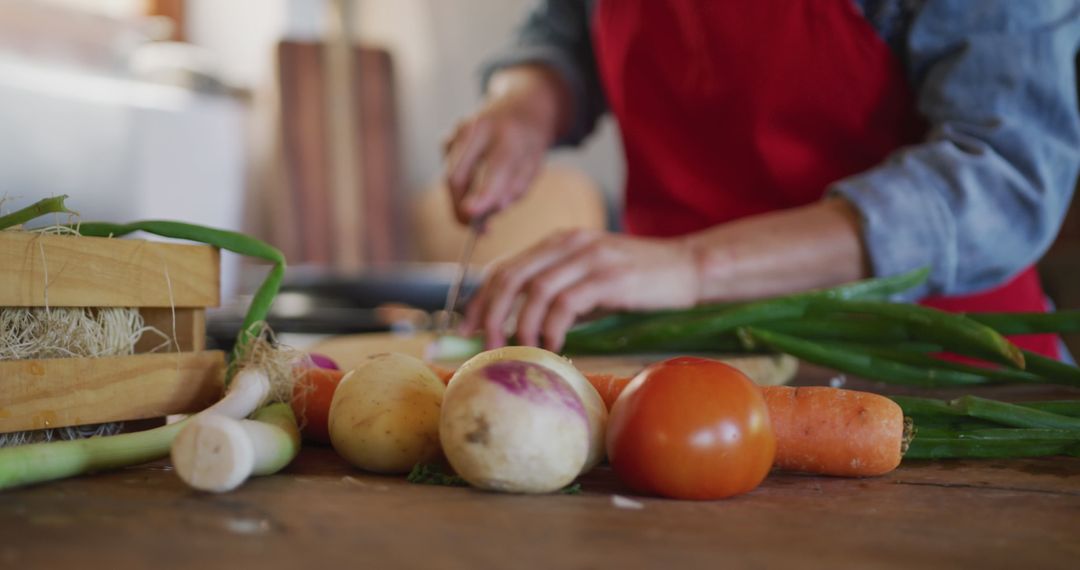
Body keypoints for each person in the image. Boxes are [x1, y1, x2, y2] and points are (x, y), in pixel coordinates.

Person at [442, 0, 1080, 357]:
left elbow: (1007, 176)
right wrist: (525, 101)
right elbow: (565, 27)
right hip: (678, 357)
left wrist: (694, 267)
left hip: (930, 369)